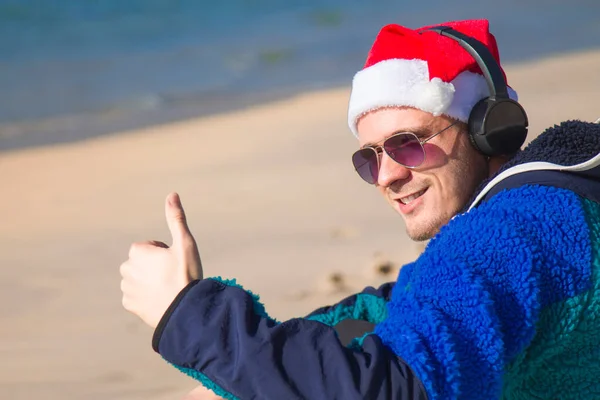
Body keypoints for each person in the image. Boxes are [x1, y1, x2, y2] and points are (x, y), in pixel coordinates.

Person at [120, 19, 600, 399]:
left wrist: (189, 315)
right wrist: (234, 374)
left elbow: (394, 389)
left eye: (408, 144)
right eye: (370, 157)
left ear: (490, 130)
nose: (388, 176)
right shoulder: (558, 202)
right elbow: (398, 304)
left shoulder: (510, 233)